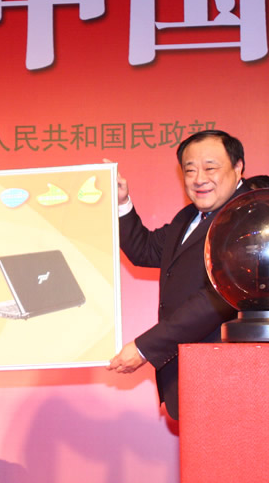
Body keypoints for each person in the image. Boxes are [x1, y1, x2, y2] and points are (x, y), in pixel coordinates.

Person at [106, 129, 248, 421]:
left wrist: (144, 348)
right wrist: (121, 202)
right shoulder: (189, 217)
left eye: (210, 168)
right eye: (190, 170)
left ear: (238, 167)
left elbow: (216, 299)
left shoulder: (248, 217)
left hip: (230, 377)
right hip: (195, 375)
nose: (199, 179)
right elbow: (145, 250)